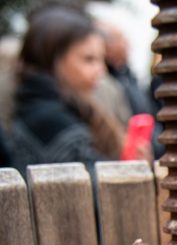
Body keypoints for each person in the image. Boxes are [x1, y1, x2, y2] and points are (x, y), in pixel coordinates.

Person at [11, 5, 129, 171]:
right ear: (53, 60)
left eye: (101, 59)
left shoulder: (64, 106)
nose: (101, 70)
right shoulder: (49, 119)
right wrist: (131, 169)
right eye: (88, 59)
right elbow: (98, 189)